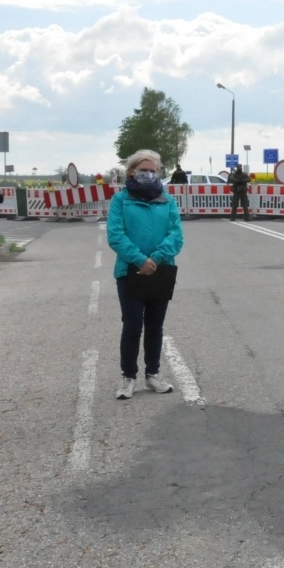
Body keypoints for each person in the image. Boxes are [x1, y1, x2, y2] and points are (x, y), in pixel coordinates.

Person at [106, 150, 183, 399]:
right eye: (144, 170)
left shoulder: (167, 200)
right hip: (130, 271)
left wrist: (157, 258)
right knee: (132, 325)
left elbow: (176, 235)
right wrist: (140, 259)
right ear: (132, 172)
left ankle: (153, 375)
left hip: (161, 270)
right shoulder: (121, 201)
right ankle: (128, 377)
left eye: (154, 170)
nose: (149, 174)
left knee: (155, 326)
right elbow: (115, 235)